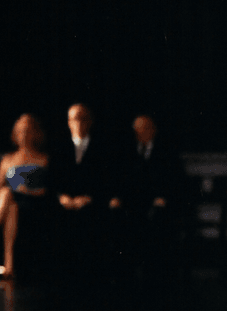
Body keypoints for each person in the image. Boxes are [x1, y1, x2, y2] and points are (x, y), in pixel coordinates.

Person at [0, 114, 50, 280]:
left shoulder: (44, 159)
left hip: (35, 201)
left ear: (35, 133)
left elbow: (50, 189)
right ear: (15, 134)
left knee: (9, 200)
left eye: (28, 131)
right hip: (12, 203)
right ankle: (9, 266)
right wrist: (14, 190)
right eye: (20, 131)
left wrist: (28, 191)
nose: (24, 135)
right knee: (9, 200)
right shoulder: (8, 159)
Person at [109, 114, 183, 273]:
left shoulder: (166, 151)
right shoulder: (127, 152)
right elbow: (119, 179)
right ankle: (124, 266)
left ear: (153, 130)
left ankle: (152, 266)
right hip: (132, 200)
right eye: (137, 129)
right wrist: (116, 197)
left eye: (144, 128)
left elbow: (174, 179)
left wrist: (163, 197)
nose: (140, 132)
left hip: (156, 201)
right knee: (118, 215)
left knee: (156, 217)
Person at [54, 103, 117, 273]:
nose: (78, 123)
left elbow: (107, 180)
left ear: (90, 122)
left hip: (92, 202)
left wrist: (90, 198)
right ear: (68, 122)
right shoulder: (59, 148)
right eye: (75, 119)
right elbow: (54, 179)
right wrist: (61, 197)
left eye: (83, 119)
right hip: (64, 202)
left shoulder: (102, 149)